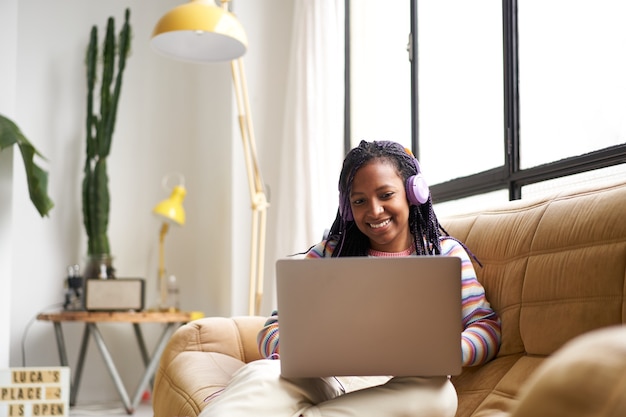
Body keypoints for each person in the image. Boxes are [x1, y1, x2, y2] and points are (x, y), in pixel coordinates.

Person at [200, 140, 502, 417]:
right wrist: (296, 349)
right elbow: (272, 330)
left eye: (386, 195)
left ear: (414, 193)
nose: (374, 210)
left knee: (440, 395)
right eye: (359, 201)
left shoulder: (444, 254)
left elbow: (486, 326)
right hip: (326, 381)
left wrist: (447, 351)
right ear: (347, 207)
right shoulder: (331, 253)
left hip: (405, 387)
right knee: (261, 375)